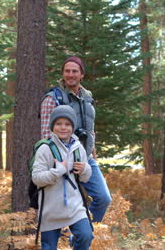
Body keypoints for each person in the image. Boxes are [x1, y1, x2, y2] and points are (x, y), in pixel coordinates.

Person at [40, 56, 111, 222]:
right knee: (66, 207)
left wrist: (93, 155)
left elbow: (90, 130)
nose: (71, 74)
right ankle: (70, 240)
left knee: (103, 198)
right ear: (63, 74)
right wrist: (57, 165)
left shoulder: (88, 97)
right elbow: (45, 136)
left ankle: (81, 236)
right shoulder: (52, 98)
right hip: (62, 161)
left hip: (86, 159)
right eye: (67, 71)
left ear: (81, 75)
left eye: (75, 71)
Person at [33, 105, 93, 250]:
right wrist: (57, 172)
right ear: (52, 126)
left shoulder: (78, 147)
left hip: (75, 206)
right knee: (48, 247)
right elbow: (36, 178)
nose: (63, 128)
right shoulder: (45, 148)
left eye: (67, 124)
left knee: (86, 236)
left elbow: (85, 178)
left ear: (73, 127)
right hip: (51, 209)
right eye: (58, 124)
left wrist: (85, 169)